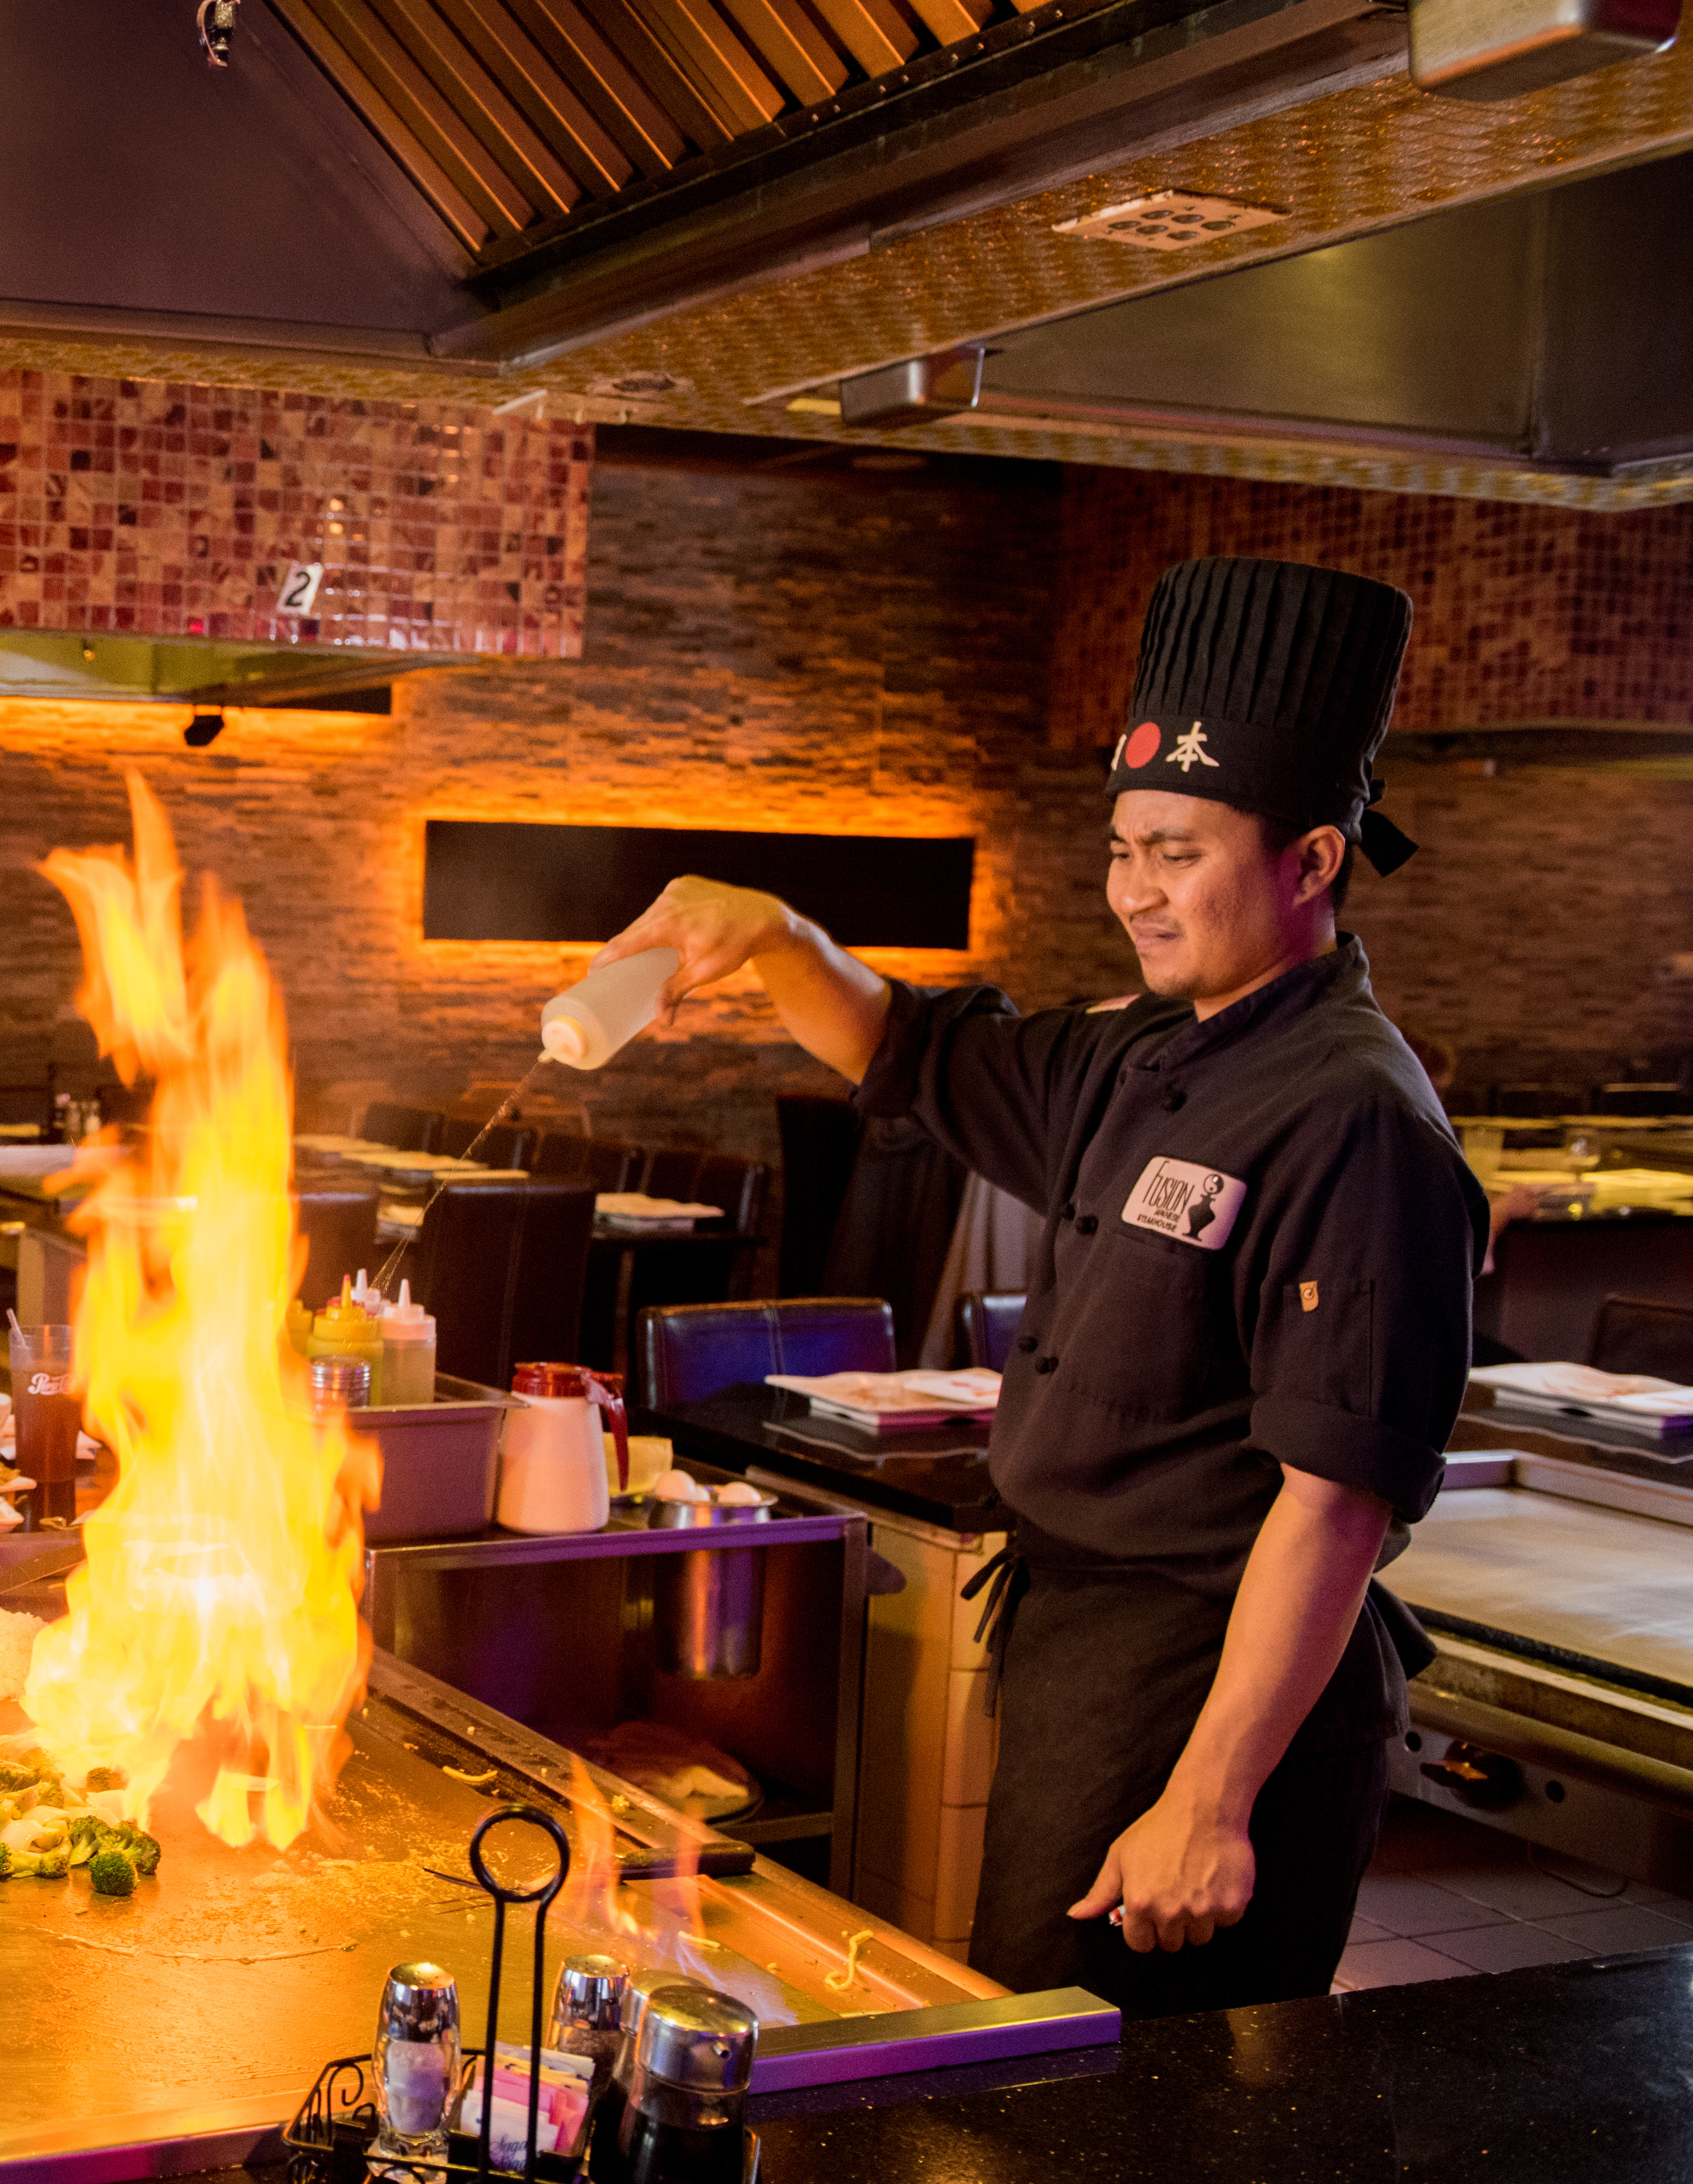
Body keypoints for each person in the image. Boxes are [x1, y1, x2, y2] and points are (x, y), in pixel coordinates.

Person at [587, 555, 1481, 2016]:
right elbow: (910, 1049)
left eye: (1175, 851)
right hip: (1079, 1651)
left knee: (1142, 2133)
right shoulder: (1136, 1050)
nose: (1131, 887)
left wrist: (1205, 1798)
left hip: (1207, 1676)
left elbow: (1331, 1502)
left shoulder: (1349, 1116)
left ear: (1308, 861)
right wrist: (764, 934)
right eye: (1121, 846)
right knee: (1046, 2067)